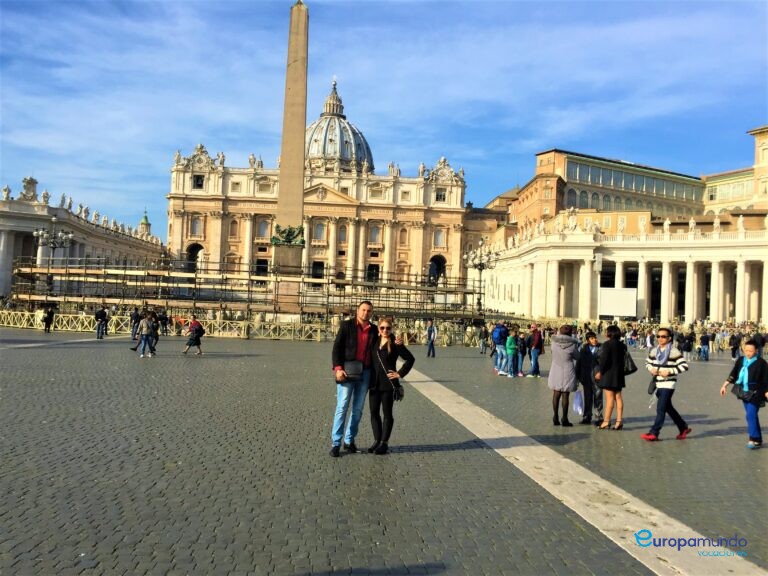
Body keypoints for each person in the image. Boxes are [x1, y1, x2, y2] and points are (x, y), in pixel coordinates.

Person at [330, 301, 377, 458]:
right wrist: (338, 368)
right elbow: (337, 347)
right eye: (363, 310)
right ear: (358, 311)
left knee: (357, 409)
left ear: (371, 313)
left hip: (366, 372)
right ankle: (336, 443)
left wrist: (396, 343)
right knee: (342, 406)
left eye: (369, 311)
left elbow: (381, 346)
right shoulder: (346, 325)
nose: (365, 313)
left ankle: (349, 441)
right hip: (347, 371)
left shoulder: (374, 329)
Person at [368, 318, 415, 455]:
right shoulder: (374, 341)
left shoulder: (396, 343)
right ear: (378, 329)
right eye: (382, 328)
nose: (385, 330)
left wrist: (399, 374)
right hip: (374, 383)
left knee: (387, 414)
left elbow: (410, 359)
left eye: (388, 328)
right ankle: (377, 439)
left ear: (391, 329)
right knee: (374, 412)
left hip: (388, 384)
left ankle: (384, 442)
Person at [641, 327, 691, 441]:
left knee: (660, 409)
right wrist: (651, 369)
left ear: (669, 338)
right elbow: (647, 362)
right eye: (658, 336)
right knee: (668, 408)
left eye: (663, 336)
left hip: (669, 384)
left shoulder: (674, 351)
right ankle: (683, 427)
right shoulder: (654, 350)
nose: (660, 338)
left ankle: (654, 432)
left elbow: (684, 366)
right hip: (658, 383)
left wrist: (670, 371)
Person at [720, 340, 768, 449]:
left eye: (750, 351)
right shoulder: (741, 360)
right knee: (752, 416)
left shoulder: (761, 363)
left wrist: (766, 392)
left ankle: (753, 439)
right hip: (744, 392)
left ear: (756, 351)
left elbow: (766, 379)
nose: (748, 353)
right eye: (746, 350)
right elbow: (734, 373)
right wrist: (724, 385)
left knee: (750, 415)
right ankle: (759, 440)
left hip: (757, 392)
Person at [594, 325, 627, 430]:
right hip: (619, 374)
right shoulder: (622, 345)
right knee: (618, 397)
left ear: (609, 333)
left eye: (606, 331)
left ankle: (606, 421)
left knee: (609, 399)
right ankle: (619, 421)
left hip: (608, 374)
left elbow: (604, 360)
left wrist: (600, 372)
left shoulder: (607, 344)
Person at [548, 325, 580, 426]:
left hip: (556, 368)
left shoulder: (553, 343)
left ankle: (555, 416)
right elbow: (577, 357)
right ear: (571, 333)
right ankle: (565, 419)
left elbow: (552, 353)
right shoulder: (573, 345)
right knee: (565, 394)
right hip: (568, 370)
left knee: (556, 393)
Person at [576, 331, 602, 425]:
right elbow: (578, 363)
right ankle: (587, 416)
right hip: (586, 377)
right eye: (591, 338)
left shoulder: (601, 348)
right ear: (587, 340)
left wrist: (601, 372)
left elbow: (605, 362)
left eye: (595, 337)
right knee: (587, 397)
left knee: (598, 397)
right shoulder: (583, 349)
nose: (594, 339)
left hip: (597, 377)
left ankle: (598, 418)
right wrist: (577, 376)